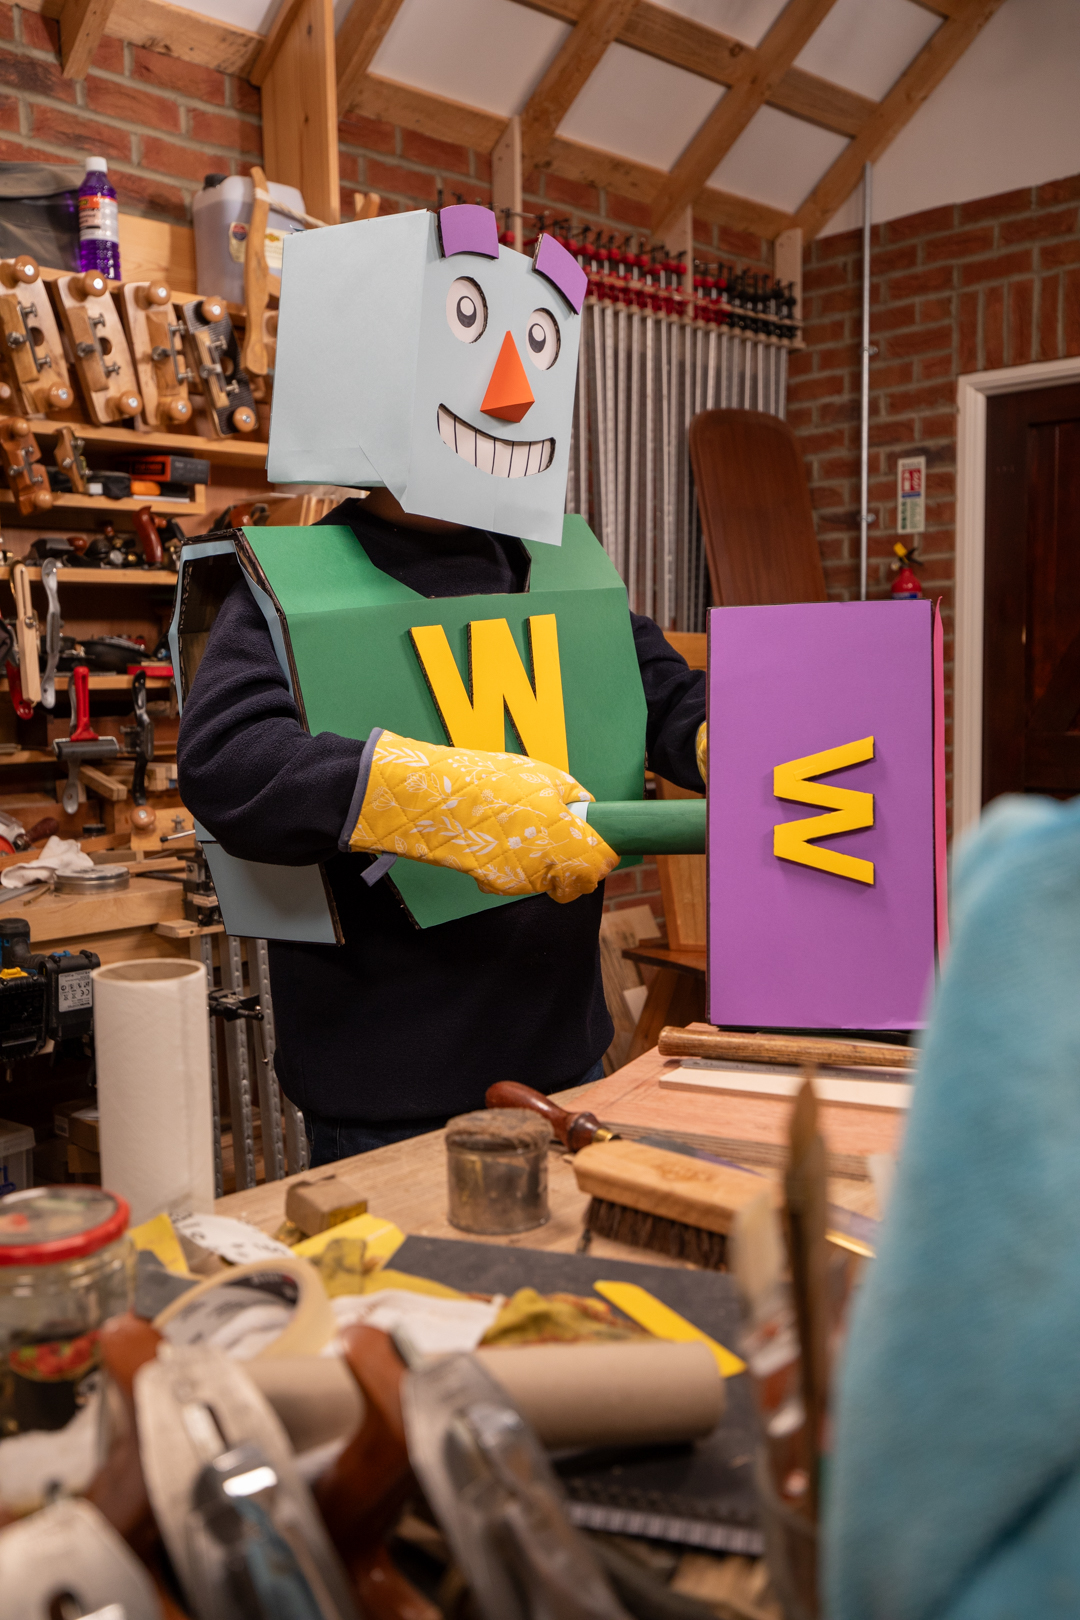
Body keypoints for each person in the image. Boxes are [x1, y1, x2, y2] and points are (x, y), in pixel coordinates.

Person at [177, 205, 707, 1165]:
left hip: (562, 1052)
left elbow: (659, 693)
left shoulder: (553, 572)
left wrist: (713, 738)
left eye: (532, 348)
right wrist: (422, 794)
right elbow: (228, 762)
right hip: (382, 1083)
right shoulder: (299, 583)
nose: (506, 391)